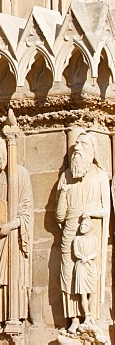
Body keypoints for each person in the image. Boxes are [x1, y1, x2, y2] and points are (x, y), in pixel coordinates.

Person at [55, 130, 110, 332]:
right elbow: (59, 216)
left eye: (83, 144)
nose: (77, 148)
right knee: (68, 274)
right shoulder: (66, 176)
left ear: (93, 150)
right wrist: (63, 195)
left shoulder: (100, 175)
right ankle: (73, 317)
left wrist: (90, 213)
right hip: (69, 231)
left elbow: (106, 210)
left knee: (89, 274)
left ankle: (91, 317)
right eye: (76, 144)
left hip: (90, 232)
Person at [0, 130, 32, 336]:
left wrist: (11, 225)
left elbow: (26, 210)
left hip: (12, 237)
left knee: (11, 278)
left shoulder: (20, 174)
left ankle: (12, 319)